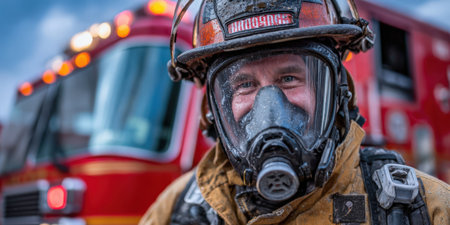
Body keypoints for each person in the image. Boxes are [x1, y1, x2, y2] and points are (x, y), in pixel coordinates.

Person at [139, 0, 449, 224]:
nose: (269, 107)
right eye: (245, 84)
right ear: (215, 110)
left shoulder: (423, 209)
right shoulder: (179, 209)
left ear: (335, 92)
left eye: (289, 78)